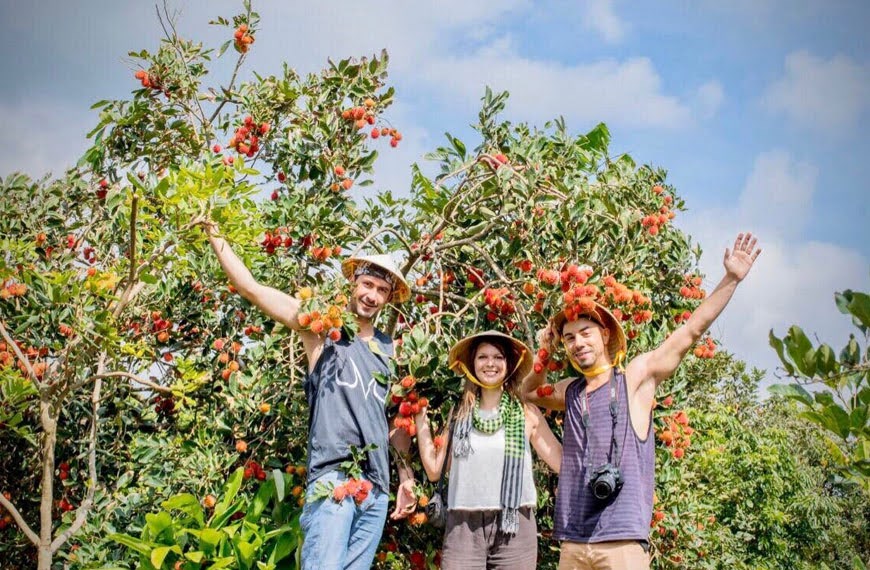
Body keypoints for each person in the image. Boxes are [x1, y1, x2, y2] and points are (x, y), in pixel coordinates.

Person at [523, 232, 762, 570]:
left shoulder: (634, 379)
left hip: (621, 543)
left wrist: (731, 279)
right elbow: (529, 393)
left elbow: (689, 333)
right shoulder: (571, 391)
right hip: (573, 542)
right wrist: (544, 352)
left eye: (586, 333)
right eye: (569, 338)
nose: (578, 343)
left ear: (605, 334)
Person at [203, 221, 417, 570]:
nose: (371, 295)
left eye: (380, 289)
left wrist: (406, 477)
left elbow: (396, 424)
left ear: (388, 298)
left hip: (376, 489)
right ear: (353, 284)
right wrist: (214, 233)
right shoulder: (323, 331)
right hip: (333, 477)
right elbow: (252, 289)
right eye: (366, 284)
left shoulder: (391, 352)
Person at [414, 330, 563, 570]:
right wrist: (420, 419)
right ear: (472, 364)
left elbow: (561, 463)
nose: (490, 363)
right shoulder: (459, 414)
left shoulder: (526, 413)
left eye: (498, 357)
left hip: (515, 523)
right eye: (483, 357)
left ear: (509, 365)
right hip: (463, 524)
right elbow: (434, 471)